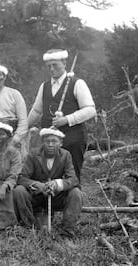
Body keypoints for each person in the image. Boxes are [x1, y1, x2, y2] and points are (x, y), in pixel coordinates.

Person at [28, 49, 96, 181]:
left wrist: (67, 119)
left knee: (72, 178)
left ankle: (74, 200)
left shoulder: (77, 83)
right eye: (49, 66)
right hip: (49, 141)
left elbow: (90, 109)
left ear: (64, 63)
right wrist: (23, 127)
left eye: (55, 65)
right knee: (49, 177)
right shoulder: (44, 86)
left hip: (73, 140)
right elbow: (36, 111)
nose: (52, 69)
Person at [13, 127, 82, 238]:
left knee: (76, 193)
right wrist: (37, 185)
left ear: (60, 143)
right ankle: (28, 227)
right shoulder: (34, 154)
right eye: (47, 141)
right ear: (42, 142)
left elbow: (73, 179)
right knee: (19, 190)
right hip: (37, 196)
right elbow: (22, 178)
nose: (50, 144)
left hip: (56, 196)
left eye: (54, 141)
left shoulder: (65, 155)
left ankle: (67, 232)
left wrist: (58, 184)